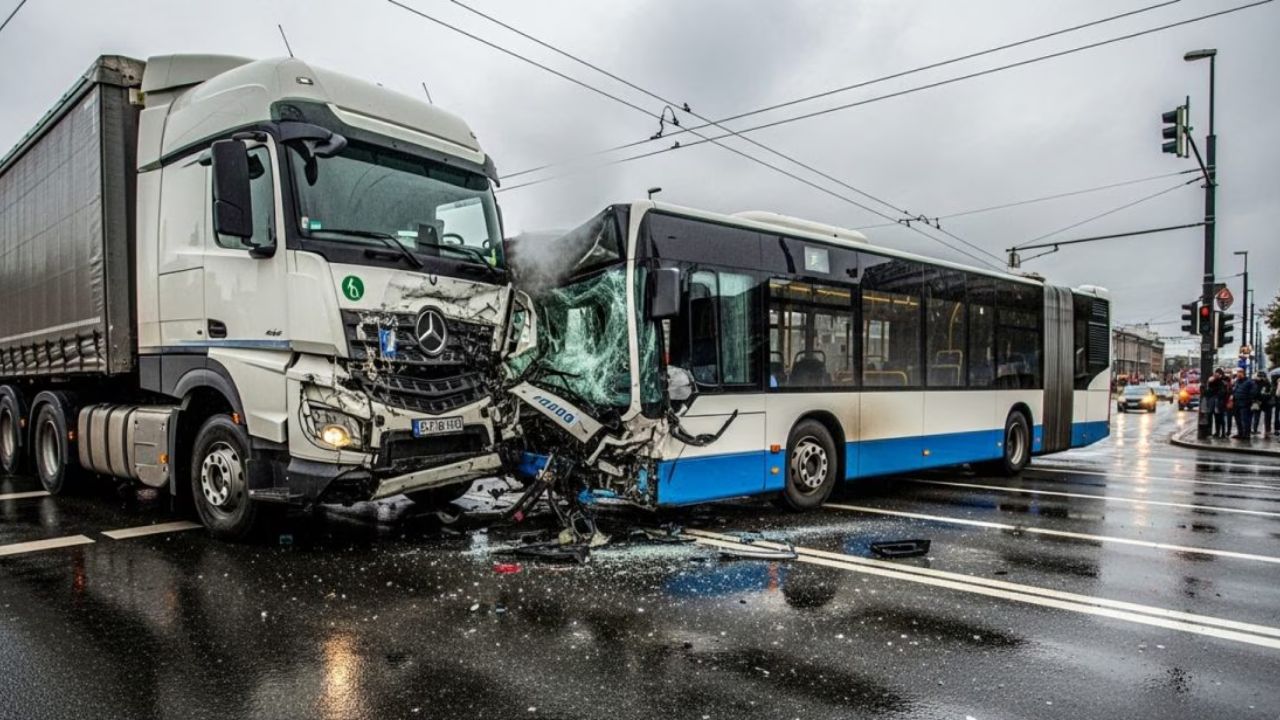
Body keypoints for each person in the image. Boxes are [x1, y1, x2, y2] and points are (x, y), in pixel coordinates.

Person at [1231, 368, 1256, 441]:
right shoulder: (1237, 382)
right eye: (1238, 373)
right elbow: (1234, 390)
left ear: (1243, 373)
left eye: (1240, 373)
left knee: (1245, 420)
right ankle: (1240, 433)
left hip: (1245, 404)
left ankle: (1246, 434)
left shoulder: (1249, 382)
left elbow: (1253, 392)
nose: (1238, 374)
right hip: (1236, 403)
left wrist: (1248, 400)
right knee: (1238, 419)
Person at [1205, 368, 1227, 438]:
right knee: (1214, 417)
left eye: (1217, 373)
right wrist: (1210, 381)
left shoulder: (1223, 381)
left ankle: (1222, 433)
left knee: (1220, 418)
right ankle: (1216, 432)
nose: (1215, 375)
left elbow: (1223, 392)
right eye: (1215, 373)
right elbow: (1208, 390)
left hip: (1219, 402)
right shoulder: (1212, 381)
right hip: (1214, 402)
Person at [1257, 371, 1274, 438]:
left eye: (1261, 376)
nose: (1260, 378)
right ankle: (1265, 430)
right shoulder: (1257, 382)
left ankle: (1267, 430)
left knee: (1267, 417)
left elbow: (1270, 393)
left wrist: (1263, 396)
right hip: (1262, 402)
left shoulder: (1268, 383)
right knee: (1258, 416)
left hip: (1266, 403)